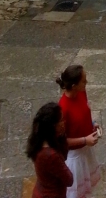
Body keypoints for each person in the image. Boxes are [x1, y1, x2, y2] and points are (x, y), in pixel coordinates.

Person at [56, 64, 101, 198]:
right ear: (74, 85)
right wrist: (84, 140)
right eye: (83, 81)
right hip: (75, 156)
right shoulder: (63, 108)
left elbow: (84, 112)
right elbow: (61, 140)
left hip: (86, 150)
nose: (86, 83)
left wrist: (93, 123)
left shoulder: (81, 93)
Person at [26, 101, 73, 198]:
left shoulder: (39, 140)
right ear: (53, 126)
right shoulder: (51, 155)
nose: (64, 122)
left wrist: (62, 136)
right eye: (61, 120)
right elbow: (69, 179)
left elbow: (63, 155)